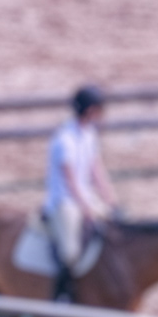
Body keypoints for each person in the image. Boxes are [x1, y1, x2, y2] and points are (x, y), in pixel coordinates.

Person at [44, 86, 120, 302]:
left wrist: (111, 199)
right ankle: (62, 293)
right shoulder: (64, 139)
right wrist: (86, 207)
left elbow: (97, 170)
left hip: (85, 197)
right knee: (70, 251)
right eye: (99, 110)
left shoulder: (89, 135)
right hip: (64, 201)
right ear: (90, 111)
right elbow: (70, 180)